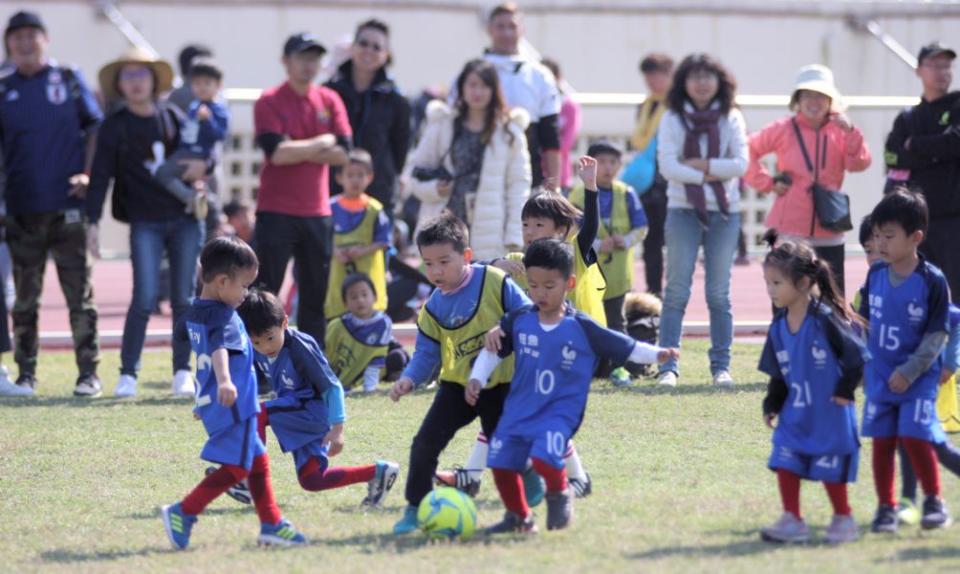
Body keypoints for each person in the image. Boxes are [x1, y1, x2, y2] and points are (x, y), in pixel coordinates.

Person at [469, 238, 677, 533]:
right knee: (501, 463)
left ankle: (559, 491)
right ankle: (519, 518)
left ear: (569, 283)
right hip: (519, 409)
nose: (539, 293)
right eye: (533, 285)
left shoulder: (581, 326)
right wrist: (478, 376)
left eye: (549, 286)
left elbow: (623, 345)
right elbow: (494, 348)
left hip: (559, 412)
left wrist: (656, 354)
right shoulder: (518, 320)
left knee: (544, 457)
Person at [438, 157, 605, 503]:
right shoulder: (518, 258)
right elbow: (477, 271)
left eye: (538, 224)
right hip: (532, 353)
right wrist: (494, 263)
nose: (529, 231)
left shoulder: (573, 253)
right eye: (525, 224)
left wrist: (590, 187)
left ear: (561, 231)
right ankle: (475, 476)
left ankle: (573, 477)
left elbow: (588, 229)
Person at [387, 212, 532, 535]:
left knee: (503, 454)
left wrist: (503, 325)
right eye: (428, 264)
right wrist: (409, 378)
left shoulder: (494, 281)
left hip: (502, 385)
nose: (436, 271)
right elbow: (426, 352)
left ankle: (520, 506)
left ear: (466, 256)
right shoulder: (434, 306)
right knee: (424, 443)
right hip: (457, 387)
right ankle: (415, 506)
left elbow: (526, 313)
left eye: (444, 261)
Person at [161, 237, 307, 550]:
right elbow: (217, 351)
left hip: (220, 404)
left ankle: (271, 524)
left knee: (258, 462)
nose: (246, 294)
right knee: (239, 468)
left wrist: (204, 396)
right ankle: (183, 512)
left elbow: (199, 357)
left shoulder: (198, 313)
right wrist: (226, 381)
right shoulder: (224, 316)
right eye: (244, 286)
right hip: (233, 405)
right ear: (222, 281)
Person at [88, 47, 206, 398]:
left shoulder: (172, 116)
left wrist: (201, 175)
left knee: (184, 299)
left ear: (155, 80)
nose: (136, 82)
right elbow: (100, 176)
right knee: (143, 297)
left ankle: (183, 371)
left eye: (142, 74)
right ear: (119, 84)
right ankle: (128, 374)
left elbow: (200, 156)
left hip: (184, 218)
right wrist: (92, 222)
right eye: (128, 75)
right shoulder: (115, 125)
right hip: (144, 222)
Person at [0, 11, 102, 396]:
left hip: (67, 205)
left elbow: (94, 126)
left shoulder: (69, 79)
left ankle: (88, 374)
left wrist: (88, 175)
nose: (25, 43)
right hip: (22, 209)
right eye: (17, 37)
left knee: (80, 295)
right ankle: (26, 374)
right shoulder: (3, 88)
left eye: (32, 35)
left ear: (46, 39)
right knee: (25, 299)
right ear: (9, 43)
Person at [233, 288, 400, 504]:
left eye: (270, 338)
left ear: (284, 322)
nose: (265, 347)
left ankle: (249, 480)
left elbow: (333, 387)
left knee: (258, 414)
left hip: (312, 411)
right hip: (297, 413)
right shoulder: (257, 347)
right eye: (256, 342)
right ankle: (377, 473)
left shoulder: (300, 346)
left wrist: (338, 428)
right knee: (312, 480)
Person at [757, 230, 866, 544]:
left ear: (803, 284)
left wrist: (845, 390)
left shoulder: (826, 321)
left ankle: (843, 518)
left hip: (830, 412)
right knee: (785, 459)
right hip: (796, 412)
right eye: (767, 283)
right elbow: (778, 373)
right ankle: (792, 519)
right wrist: (772, 403)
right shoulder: (778, 326)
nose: (770, 290)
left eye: (776, 283)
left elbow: (857, 358)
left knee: (830, 469)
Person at [858, 189, 952, 533]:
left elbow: (937, 334)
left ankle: (934, 502)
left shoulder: (932, 280)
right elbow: (864, 327)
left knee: (915, 436)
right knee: (882, 441)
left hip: (917, 379)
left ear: (915, 238)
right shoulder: (875, 276)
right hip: (881, 378)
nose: (880, 244)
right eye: (877, 235)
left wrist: (911, 371)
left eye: (889, 236)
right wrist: (862, 368)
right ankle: (886, 507)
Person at [656, 53, 748, 388]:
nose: (702, 82)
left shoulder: (731, 117)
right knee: (676, 290)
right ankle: (667, 366)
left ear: (720, 82)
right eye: (695, 76)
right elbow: (668, 167)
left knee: (719, 293)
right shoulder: (672, 118)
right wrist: (709, 173)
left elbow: (740, 164)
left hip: (725, 213)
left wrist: (701, 165)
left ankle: (721, 367)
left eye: (708, 76)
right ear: (684, 82)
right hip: (682, 210)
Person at [254, 33, 350, 345]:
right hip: (276, 210)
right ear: (286, 61)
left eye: (314, 58)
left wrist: (297, 148)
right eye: (302, 57)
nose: (309, 65)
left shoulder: (329, 99)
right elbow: (277, 154)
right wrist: (322, 142)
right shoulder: (269, 100)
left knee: (315, 297)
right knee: (265, 293)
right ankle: (262, 365)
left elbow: (344, 153)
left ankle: (311, 365)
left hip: (317, 212)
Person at [745, 64, 871, 293]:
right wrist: (768, 182)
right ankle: (784, 330)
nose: (814, 102)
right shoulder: (783, 127)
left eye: (821, 96)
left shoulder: (840, 129)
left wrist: (852, 132)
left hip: (830, 223)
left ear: (831, 100)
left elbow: (859, 163)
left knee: (832, 293)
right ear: (797, 100)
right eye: (807, 95)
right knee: (786, 292)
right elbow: (747, 150)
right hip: (789, 224)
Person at [407, 59, 530, 260]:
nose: (477, 92)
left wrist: (515, 235)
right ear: (462, 87)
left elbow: (518, 186)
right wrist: (433, 189)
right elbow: (416, 170)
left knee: (485, 286)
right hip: (445, 223)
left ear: (494, 89)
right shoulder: (443, 123)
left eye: (484, 85)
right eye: (472, 85)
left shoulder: (509, 130)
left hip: (490, 228)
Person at [454, 3, 560, 190]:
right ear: (489, 29)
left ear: (522, 30)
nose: (507, 33)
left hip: (526, 179)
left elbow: (550, 137)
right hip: (477, 181)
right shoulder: (471, 72)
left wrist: (554, 187)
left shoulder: (540, 75)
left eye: (512, 26)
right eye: (500, 26)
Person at [884, 42, 960, 297]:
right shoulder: (908, 117)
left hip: (954, 219)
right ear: (919, 71)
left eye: (946, 65)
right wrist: (936, 153)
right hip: (916, 222)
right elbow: (892, 155)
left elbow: (955, 143)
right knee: (919, 292)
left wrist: (915, 145)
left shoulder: (957, 106)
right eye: (934, 65)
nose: (942, 71)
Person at [569, 142, 648, 387]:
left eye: (613, 162)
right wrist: (597, 243)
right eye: (602, 161)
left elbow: (642, 226)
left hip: (616, 276)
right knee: (583, 322)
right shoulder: (578, 195)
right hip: (586, 276)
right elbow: (571, 229)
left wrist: (624, 240)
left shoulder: (627, 193)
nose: (607, 167)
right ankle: (582, 367)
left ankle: (619, 368)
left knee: (616, 323)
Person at [325, 19, 411, 218]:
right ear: (352, 47)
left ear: (386, 55)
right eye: (363, 43)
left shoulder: (396, 99)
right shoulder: (329, 91)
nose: (368, 51)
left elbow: (401, 150)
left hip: (377, 194)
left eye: (377, 46)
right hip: (333, 191)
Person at [155, 57, 228, 221]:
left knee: (163, 174)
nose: (202, 87)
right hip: (185, 152)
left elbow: (220, 136)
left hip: (199, 155)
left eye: (207, 83)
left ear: (218, 85)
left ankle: (193, 199)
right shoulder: (194, 106)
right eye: (197, 83)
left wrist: (207, 120)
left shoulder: (218, 109)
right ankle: (199, 200)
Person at [325, 149, 390, 319]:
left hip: (368, 274)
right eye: (350, 175)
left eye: (360, 175)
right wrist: (335, 251)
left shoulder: (375, 209)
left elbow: (384, 240)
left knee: (369, 317)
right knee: (339, 318)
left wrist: (363, 251)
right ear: (339, 178)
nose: (355, 180)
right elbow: (322, 238)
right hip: (337, 275)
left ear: (370, 177)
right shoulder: (329, 208)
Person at [630, 53, 673, 297]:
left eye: (656, 74)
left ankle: (674, 289)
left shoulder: (676, 105)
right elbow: (640, 141)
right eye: (648, 75)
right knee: (651, 238)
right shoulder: (646, 105)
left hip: (670, 178)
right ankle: (654, 288)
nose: (651, 80)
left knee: (673, 240)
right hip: (648, 181)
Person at [326, 273, 408, 392]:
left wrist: (369, 388)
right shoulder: (337, 326)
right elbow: (325, 355)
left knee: (398, 357)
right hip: (342, 373)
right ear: (345, 303)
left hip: (373, 369)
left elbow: (376, 359)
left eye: (364, 294)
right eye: (354, 297)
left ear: (375, 297)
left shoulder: (383, 323)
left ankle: (395, 375)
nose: (360, 300)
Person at [540, 58, 580, 191]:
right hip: (535, 173)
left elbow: (567, 142)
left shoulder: (568, 106)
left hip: (560, 176)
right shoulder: (534, 105)